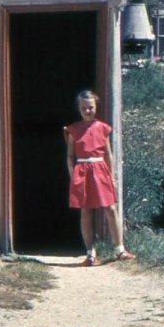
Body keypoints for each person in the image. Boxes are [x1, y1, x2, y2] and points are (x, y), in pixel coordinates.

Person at [64, 89, 135, 266]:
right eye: (84, 109)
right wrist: (73, 175)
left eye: (90, 107)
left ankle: (120, 249)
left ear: (96, 107)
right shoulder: (73, 130)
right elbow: (70, 156)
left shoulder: (103, 128)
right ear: (79, 110)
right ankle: (90, 254)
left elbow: (108, 154)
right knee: (86, 211)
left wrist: (112, 176)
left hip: (100, 170)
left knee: (110, 208)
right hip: (82, 171)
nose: (87, 111)